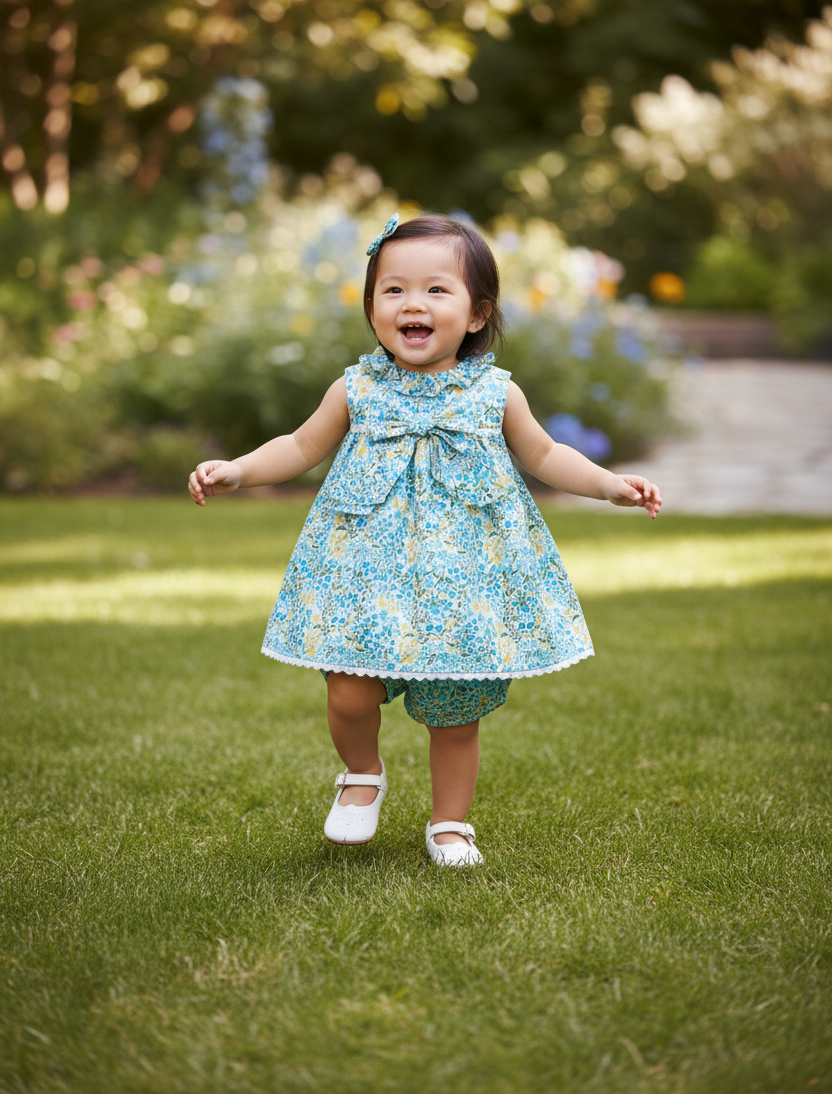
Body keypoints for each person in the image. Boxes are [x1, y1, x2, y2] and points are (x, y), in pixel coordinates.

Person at [188, 213, 661, 867]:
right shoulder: (356, 388)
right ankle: (361, 774)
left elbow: (547, 455)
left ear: (476, 314)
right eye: (394, 290)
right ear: (373, 308)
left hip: (460, 578)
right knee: (349, 689)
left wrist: (608, 485)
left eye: (437, 290)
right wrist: (238, 470)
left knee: (453, 710)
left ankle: (450, 824)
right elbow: (300, 446)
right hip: (365, 571)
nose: (414, 303)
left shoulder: (496, 393)